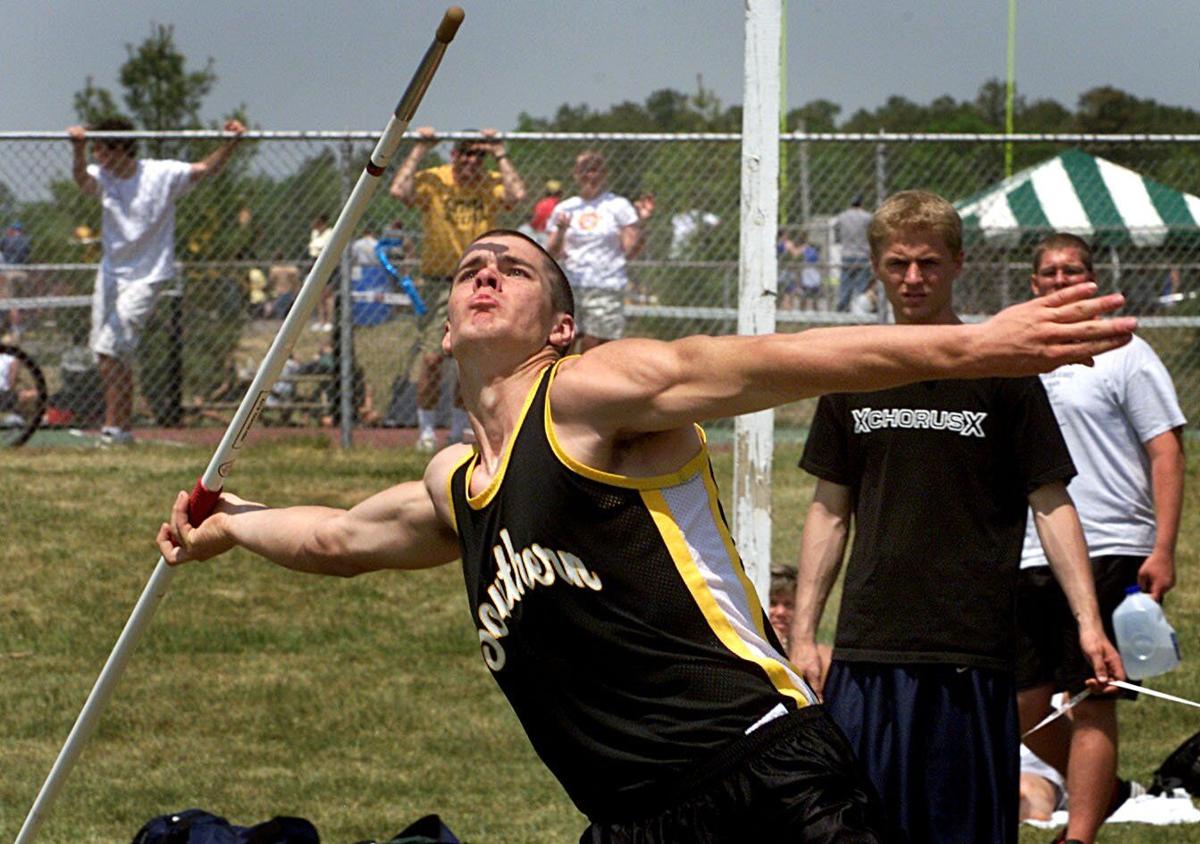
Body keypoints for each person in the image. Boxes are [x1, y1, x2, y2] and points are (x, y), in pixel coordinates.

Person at [157, 228, 1133, 842]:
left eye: (516, 267)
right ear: (447, 324)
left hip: (760, 780)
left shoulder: (586, 396)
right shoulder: (458, 481)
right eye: (470, 269)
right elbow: (336, 536)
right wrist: (232, 524)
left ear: (562, 324)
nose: (486, 273)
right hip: (630, 820)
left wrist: (972, 346)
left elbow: (770, 362)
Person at [787, 191, 1125, 843]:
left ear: (958, 263)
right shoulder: (854, 372)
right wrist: (805, 635)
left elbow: (1051, 504)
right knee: (861, 830)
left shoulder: (1002, 371)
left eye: (929, 263)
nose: (913, 279)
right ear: (877, 267)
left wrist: (1088, 623)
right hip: (869, 646)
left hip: (968, 648)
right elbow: (829, 511)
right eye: (897, 264)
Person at [1016, 232, 1187, 844]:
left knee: (1092, 695)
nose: (1061, 280)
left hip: (1114, 544)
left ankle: (1079, 835)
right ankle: (1103, 790)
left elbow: (1164, 449)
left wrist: (1162, 548)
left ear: (1092, 279)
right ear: (1033, 283)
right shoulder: (1016, 356)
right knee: (1026, 705)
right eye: (1050, 272)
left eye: (1074, 271)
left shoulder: (1126, 352)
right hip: (1029, 549)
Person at [69, 116, 246, 445]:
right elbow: (82, 180)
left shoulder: (159, 174)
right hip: (111, 275)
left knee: (111, 349)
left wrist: (231, 142)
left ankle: (113, 429)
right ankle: (121, 429)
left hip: (147, 276)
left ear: (120, 148)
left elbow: (204, 170)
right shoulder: (102, 177)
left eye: (99, 147)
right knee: (107, 353)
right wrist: (77, 151)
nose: (95, 154)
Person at [389, 127, 526, 451]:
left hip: (479, 277)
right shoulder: (435, 179)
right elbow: (399, 190)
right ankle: (425, 430)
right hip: (439, 279)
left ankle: (459, 428)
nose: (471, 160)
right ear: (453, 155)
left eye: (478, 154)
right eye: (465, 153)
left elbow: (516, 195)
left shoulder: (490, 181)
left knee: (470, 358)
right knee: (433, 357)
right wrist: (420, 148)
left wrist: (500, 151)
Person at [546, 150, 654, 351]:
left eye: (595, 169)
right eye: (585, 169)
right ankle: (560, 381)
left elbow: (630, 250)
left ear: (604, 174)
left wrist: (641, 221)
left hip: (606, 284)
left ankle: (588, 382)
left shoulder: (618, 205)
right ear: (576, 174)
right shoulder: (566, 207)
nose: (590, 175)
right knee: (564, 342)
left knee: (595, 346)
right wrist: (561, 230)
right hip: (572, 284)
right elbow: (551, 252)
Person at [833, 195, 872, 312]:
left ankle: (842, 308)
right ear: (861, 204)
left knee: (845, 284)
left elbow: (836, 229)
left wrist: (840, 239)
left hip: (847, 254)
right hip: (862, 254)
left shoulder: (842, 216)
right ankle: (860, 309)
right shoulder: (867, 217)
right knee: (862, 285)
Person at [529, 179, 563, 243]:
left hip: (535, 232)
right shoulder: (558, 205)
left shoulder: (540, 203)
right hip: (548, 235)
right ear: (559, 193)